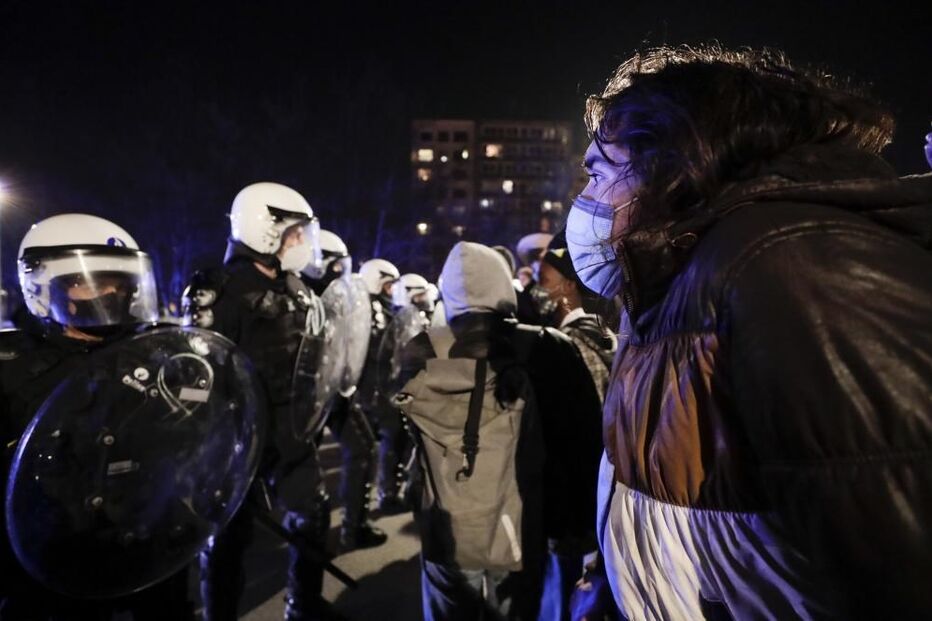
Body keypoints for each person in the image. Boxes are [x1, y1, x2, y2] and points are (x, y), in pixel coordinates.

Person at [567, 45, 932, 620]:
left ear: (674, 161)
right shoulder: (678, 279)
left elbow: (899, 565)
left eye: (597, 171)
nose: (583, 200)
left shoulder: (797, 266)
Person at [0, 213, 194, 620]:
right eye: (90, 281)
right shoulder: (11, 368)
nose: (110, 292)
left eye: (119, 282)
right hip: (50, 566)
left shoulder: (154, 356)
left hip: (144, 552)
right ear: (41, 286)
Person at [398, 241, 603, 621]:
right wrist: (576, 531)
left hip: (444, 526)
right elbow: (581, 443)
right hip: (522, 525)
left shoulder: (419, 350)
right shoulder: (547, 347)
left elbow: (401, 435)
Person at [188, 182, 342, 621]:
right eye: (295, 234)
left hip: (292, 427)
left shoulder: (297, 285)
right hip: (237, 434)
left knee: (312, 516)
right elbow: (201, 372)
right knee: (227, 541)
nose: (301, 244)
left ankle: (304, 605)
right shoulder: (220, 291)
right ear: (264, 230)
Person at [301, 229, 386, 550]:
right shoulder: (296, 292)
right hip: (300, 397)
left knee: (364, 448)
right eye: (332, 264)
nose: (338, 270)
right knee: (301, 489)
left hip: (336, 390)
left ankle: (354, 525)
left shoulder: (339, 296)